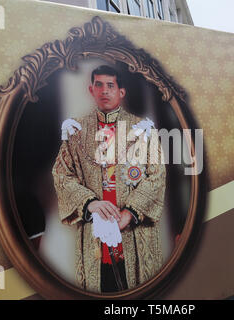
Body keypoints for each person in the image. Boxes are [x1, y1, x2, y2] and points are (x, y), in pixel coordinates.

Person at [52, 65, 166, 293]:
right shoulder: (76, 130)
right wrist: (90, 203)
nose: (105, 90)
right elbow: (61, 174)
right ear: (91, 89)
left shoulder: (143, 129)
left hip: (134, 232)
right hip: (94, 232)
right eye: (99, 85)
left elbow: (157, 175)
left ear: (121, 92)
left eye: (110, 85)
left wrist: (129, 213)